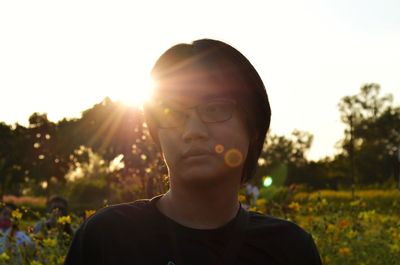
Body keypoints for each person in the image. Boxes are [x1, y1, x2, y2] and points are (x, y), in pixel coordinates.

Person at [65, 39, 322, 265]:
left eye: (215, 109)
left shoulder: (289, 249)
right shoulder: (106, 238)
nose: (192, 131)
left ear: (253, 128)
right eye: (173, 114)